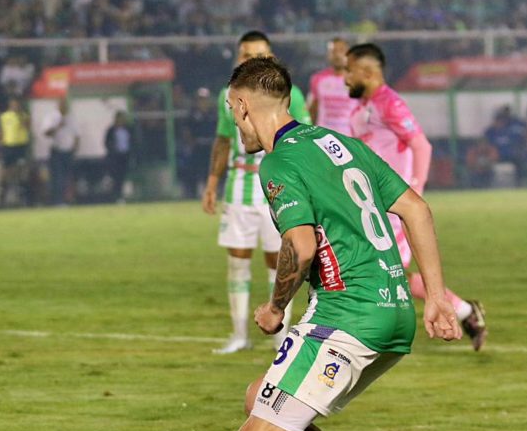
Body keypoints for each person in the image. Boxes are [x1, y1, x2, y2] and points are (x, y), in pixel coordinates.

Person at [178, 57, 463, 431]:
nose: (237, 125)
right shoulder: (340, 144)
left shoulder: (280, 163)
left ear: (240, 106)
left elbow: (301, 246)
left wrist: (275, 307)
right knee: (258, 400)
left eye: (234, 115)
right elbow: (417, 210)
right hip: (394, 313)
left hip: (344, 315)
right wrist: (439, 297)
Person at [345, 43, 487, 350]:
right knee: (390, 271)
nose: (344, 77)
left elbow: (421, 145)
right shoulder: (361, 108)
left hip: (394, 206)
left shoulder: (389, 103)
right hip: (373, 204)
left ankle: (373, 334)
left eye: (349, 70)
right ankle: (464, 311)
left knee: (383, 268)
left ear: (367, 72)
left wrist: (415, 190)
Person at [202, 30, 311, 356]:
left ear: (271, 58)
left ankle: (281, 338)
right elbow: (223, 140)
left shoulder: (292, 94)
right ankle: (239, 335)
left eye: (258, 55)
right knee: (237, 262)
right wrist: (211, 183)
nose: (250, 60)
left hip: (276, 187)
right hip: (239, 185)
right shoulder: (228, 94)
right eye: (245, 54)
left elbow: (301, 140)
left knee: (280, 262)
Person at [306, 37, 353, 135]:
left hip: (350, 139)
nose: (337, 55)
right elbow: (312, 110)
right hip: (324, 138)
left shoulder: (357, 80)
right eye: (333, 51)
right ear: (328, 54)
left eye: (341, 50)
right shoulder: (317, 79)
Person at [42, 98, 80, 205]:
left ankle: (68, 199)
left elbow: (77, 134)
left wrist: (75, 147)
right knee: (57, 177)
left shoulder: (72, 118)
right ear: (57, 106)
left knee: (68, 177)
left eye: (65, 105)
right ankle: (57, 200)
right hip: (56, 151)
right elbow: (46, 133)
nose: (63, 107)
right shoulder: (52, 117)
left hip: (68, 151)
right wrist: (57, 126)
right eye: (61, 105)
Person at [0, 96, 31, 207]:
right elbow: (2, 131)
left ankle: (23, 196)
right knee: (6, 172)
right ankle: (3, 197)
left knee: (21, 171)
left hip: (21, 146)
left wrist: (22, 118)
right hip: (8, 146)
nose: (15, 106)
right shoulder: (4, 116)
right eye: (13, 104)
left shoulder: (24, 116)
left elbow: (28, 128)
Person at [103, 110, 132, 203]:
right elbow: (107, 143)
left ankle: (122, 196)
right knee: (115, 177)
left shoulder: (129, 129)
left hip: (125, 156)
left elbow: (133, 142)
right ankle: (115, 196)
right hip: (115, 157)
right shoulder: (111, 130)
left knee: (123, 177)